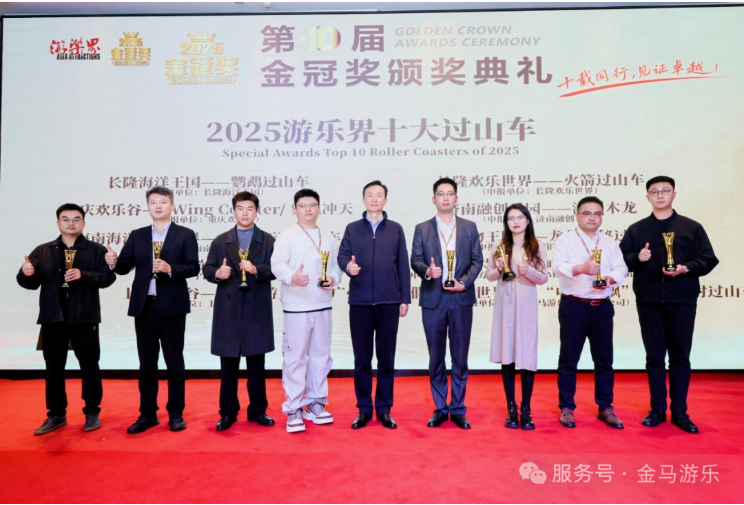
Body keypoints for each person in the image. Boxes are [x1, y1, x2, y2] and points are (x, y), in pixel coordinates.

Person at [619, 176, 718, 434]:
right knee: (654, 357)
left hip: (682, 300)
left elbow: (708, 259)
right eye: (655, 191)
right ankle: (657, 409)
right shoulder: (637, 229)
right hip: (649, 300)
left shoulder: (691, 227)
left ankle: (680, 411)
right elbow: (619, 260)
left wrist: (686, 268)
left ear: (674, 194)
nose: (660, 195)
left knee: (680, 356)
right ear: (648, 197)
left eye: (665, 190)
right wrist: (637, 257)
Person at [104, 186, 200, 434]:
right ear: (147, 206)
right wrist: (113, 262)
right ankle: (147, 413)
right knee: (147, 362)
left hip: (173, 307)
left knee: (174, 361)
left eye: (163, 202)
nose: (158, 206)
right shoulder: (137, 235)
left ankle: (175, 412)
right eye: (153, 202)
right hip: (145, 306)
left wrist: (170, 268)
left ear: (172, 206)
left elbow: (193, 267)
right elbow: (124, 267)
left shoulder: (185, 234)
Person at [17, 203, 116, 436]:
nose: (71, 223)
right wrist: (26, 273)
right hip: (53, 318)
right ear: (58, 223)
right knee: (53, 367)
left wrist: (84, 275)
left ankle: (92, 411)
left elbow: (107, 278)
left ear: (84, 223)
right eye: (65, 218)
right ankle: (56, 414)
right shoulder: (43, 250)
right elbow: (29, 283)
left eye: (76, 219)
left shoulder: (95, 250)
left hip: (85, 318)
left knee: (90, 366)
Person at [410, 177, 483, 430]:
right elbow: (415, 259)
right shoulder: (422, 228)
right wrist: (428, 271)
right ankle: (441, 408)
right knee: (436, 356)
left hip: (461, 299)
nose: (445, 198)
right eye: (440, 194)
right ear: (433, 199)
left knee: (460, 356)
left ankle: (458, 409)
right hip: (434, 299)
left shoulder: (469, 227)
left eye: (449, 193)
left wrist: (464, 282)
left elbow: (477, 260)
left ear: (456, 198)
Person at [337, 180, 411, 430]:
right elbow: (342, 255)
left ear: (385, 200)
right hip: (359, 302)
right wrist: (348, 266)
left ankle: (384, 409)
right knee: (362, 360)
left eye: (379, 195)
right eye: (370, 195)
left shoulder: (395, 229)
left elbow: (403, 265)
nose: (374, 199)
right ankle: (364, 409)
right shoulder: (352, 228)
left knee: (386, 360)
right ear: (363, 199)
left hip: (389, 302)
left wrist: (404, 299)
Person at [203, 191, 276, 431]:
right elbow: (207, 269)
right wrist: (217, 273)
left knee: (256, 364)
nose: (245, 213)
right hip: (229, 308)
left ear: (257, 211)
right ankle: (227, 413)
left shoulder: (268, 240)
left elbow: (277, 269)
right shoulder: (220, 241)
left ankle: (258, 411)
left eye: (250, 209)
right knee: (228, 365)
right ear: (233, 211)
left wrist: (257, 270)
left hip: (256, 307)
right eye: (240, 209)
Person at [552, 196, 628, 429]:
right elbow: (558, 267)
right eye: (587, 213)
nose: (592, 218)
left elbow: (622, 268)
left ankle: (605, 406)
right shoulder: (565, 240)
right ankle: (567, 407)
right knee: (569, 359)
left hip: (602, 307)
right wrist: (580, 268)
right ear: (577, 215)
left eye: (597, 213)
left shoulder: (609, 242)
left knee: (604, 360)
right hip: (574, 306)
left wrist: (611, 278)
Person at [271, 189, 342, 433]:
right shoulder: (287, 235)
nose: (308, 209)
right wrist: (293, 276)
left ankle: (316, 403)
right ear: (295, 209)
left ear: (319, 208)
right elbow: (276, 264)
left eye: (312, 205)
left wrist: (332, 279)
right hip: (296, 306)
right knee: (295, 358)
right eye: (303, 205)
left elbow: (336, 267)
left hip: (323, 304)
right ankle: (293, 408)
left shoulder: (328, 236)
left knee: (321, 356)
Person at [484, 203, 548, 430]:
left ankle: (526, 408)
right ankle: (511, 407)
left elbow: (544, 278)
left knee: (527, 356)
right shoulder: (499, 245)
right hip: (505, 306)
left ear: (528, 220)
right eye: (511, 218)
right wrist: (499, 268)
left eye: (520, 217)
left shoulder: (537, 246)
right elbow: (489, 275)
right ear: (506, 223)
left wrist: (527, 270)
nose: (515, 222)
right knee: (508, 354)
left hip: (526, 307)